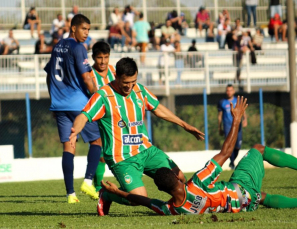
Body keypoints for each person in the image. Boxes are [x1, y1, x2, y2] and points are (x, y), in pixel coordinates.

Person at [102, 96, 297, 215]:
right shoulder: (197, 183)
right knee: (259, 149)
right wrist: (237, 120)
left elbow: (145, 200)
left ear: (162, 189)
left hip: (244, 205)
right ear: (177, 178)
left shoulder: (172, 210)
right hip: (240, 187)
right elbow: (226, 151)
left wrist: (118, 192)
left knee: (262, 197)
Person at [69, 57, 205, 216]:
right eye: (126, 82)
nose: (129, 86)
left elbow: (158, 109)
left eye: (133, 81)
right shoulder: (103, 96)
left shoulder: (139, 90)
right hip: (122, 158)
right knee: (138, 198)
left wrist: (185, 125)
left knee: (179, 178)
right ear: (117, 77)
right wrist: (74, 132)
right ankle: (107, 194)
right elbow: (84, 116)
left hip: (146, 151)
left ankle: (187, 207)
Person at [44, 14, 102, 203]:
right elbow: (86, 79)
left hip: (59, 105)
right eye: (84, 29)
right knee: (97, 141)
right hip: (77, 104)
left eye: (89, 30)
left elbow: (48, 74)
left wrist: (53, 96)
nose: (87, 33)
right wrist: (98, 98)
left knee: (69, 147)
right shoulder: (78, 48)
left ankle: (71, 195)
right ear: (73, 27)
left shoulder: (57, 46)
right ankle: (87, 181)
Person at [89, 41, 115, 193]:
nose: (103, 61)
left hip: (113, 117)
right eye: (99, 57)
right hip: (96, 118)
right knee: (99, 150)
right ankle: (98, 186)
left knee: (109, 152)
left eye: (106, 57)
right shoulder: (89, 75)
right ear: (93, 57)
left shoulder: (114, 71)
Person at [218, 84, 247, 170]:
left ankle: (232, 161)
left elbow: (243, 110)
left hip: (238, 126)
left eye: (230, 90)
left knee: (237, 146)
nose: (229, 92)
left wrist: (245, 119)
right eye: (227, 90)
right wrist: (219, 127)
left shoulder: (237, 101)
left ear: (233, 91)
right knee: (230, 145)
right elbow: (220, 115)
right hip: (227, 127)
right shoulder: (222, 102)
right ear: (226, 91)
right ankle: (232, 163)